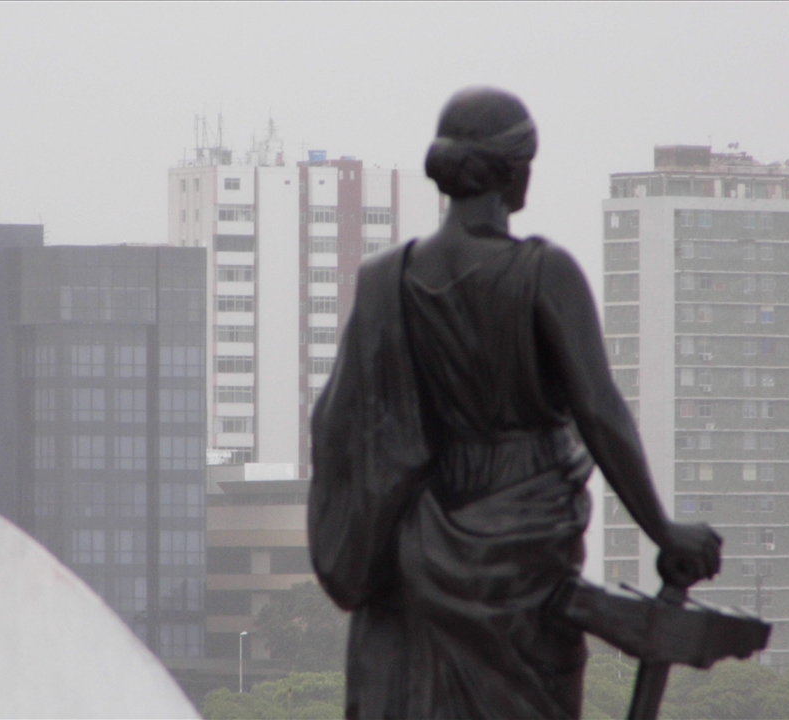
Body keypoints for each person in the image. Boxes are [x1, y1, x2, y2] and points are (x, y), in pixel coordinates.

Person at [308, 87, 722, 719]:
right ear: (514, 171)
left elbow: (341, 427)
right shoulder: (545, 274)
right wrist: (662, 530)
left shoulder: (387, 280)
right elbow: (600, 410)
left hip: (424, 543)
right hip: (527, 546)